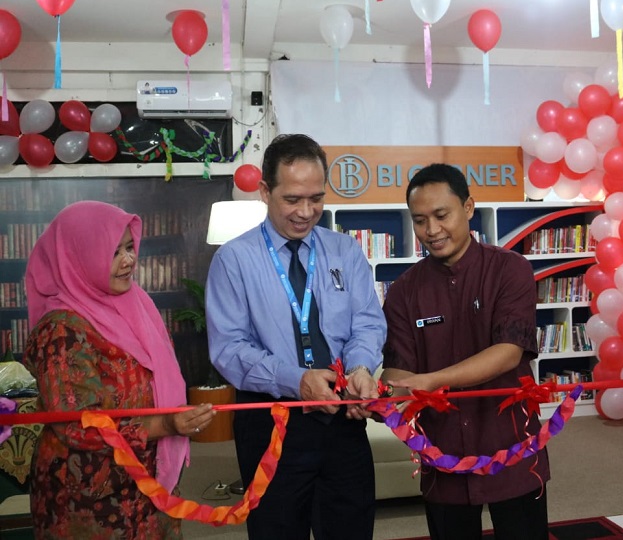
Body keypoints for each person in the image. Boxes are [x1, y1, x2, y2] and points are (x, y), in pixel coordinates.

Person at [206, 133, 386, 539]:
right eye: (292, 199)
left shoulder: (345, 251)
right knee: (276, 529)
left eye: (316, 198)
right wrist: (295, 379)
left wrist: (360, 368)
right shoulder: (234, 260)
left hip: (342, 417)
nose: (306, 212)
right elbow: (230, 349)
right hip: (272, 422)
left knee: (350, 527)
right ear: (266, 192)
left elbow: (367, 323)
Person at [23, 200, 215, 539]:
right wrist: (165, 424)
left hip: (147, 486)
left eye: (129, 247)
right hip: (89, 500)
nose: (128, 260)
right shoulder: (62, 329)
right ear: (78, 257)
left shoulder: (137, 304)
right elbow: (77, 424)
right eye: (113, 252)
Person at [381, 163, 550, 540]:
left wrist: (431, 381)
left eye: (442, 215)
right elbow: (398, 371)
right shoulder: (404, 292)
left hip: (510, 444)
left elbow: (508, 352)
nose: (432, 230)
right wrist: (379, 397)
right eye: (420, 220)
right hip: (442, 452)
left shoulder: (511, 269)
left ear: (469, 207)